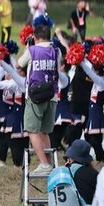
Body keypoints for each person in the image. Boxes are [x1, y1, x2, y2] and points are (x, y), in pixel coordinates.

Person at [18, 16, 64, 173]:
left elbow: (20, 64)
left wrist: (27, 46)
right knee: (45, 131)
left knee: (32, 130)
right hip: (52, 96)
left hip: (35, 96)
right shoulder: (56, 51)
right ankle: (50, 163)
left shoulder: (32, 50)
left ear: (35, 37)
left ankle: (44, 163)